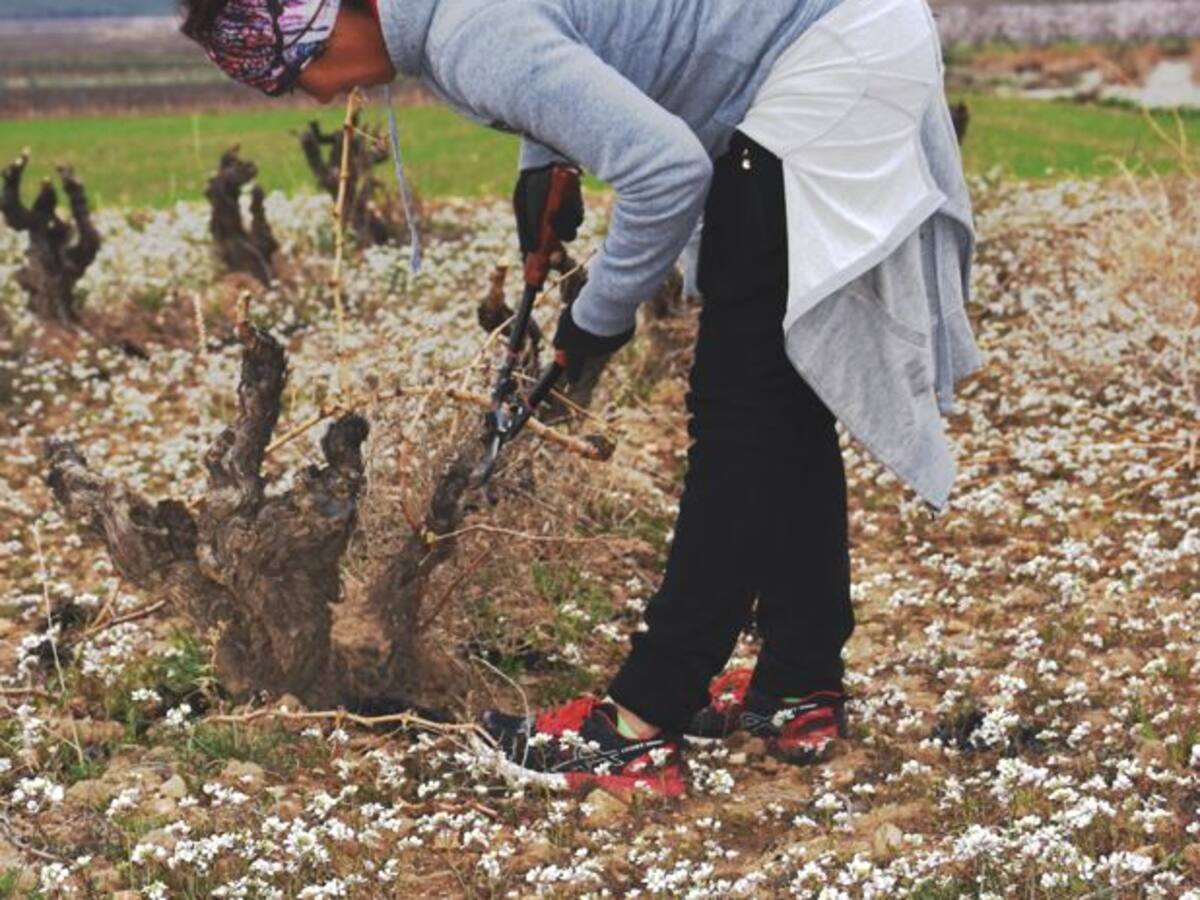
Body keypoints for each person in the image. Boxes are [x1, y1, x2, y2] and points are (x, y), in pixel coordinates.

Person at [180, 0, 980, 798]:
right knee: (781, 396)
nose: (317, 96)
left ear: (330, 19)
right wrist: (543, 165)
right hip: (840, 39)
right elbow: (562, 38)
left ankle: (637, 725)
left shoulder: (463, 36)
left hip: (822, 64)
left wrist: (598, 317)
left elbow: (667, 170)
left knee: (741, 415)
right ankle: (799, 686)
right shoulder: (448, 21)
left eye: (300, 71)